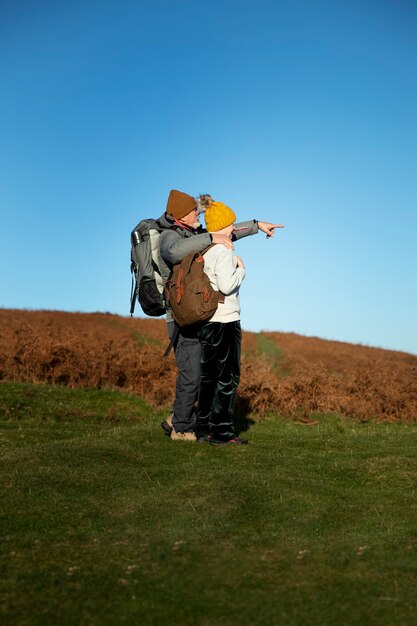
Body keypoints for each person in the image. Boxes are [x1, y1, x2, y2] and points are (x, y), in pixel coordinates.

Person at [158, 189, 283, 441]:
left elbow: (226, 230)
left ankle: (186, 420)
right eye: (194, 212)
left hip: (200, 314)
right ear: (182, 215)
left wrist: (257, 226)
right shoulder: (169, 237)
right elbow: (175, 252)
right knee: (196, 373)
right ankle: (182, 427)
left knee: (203, 374)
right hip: (180, 315)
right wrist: (235, 262)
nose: (198, 214)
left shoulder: (200, 235)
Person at [195, 201, 247, 445]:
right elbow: (227, 286)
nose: (235, 226)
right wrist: (241, 270)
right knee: (227, 378)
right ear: (224, 226)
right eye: (232, 222)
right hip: (226, 321)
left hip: (208, 321)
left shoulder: (206, 250)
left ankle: (203, 429)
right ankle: (223, 433)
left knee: (208, 377)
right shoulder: (224, 252)